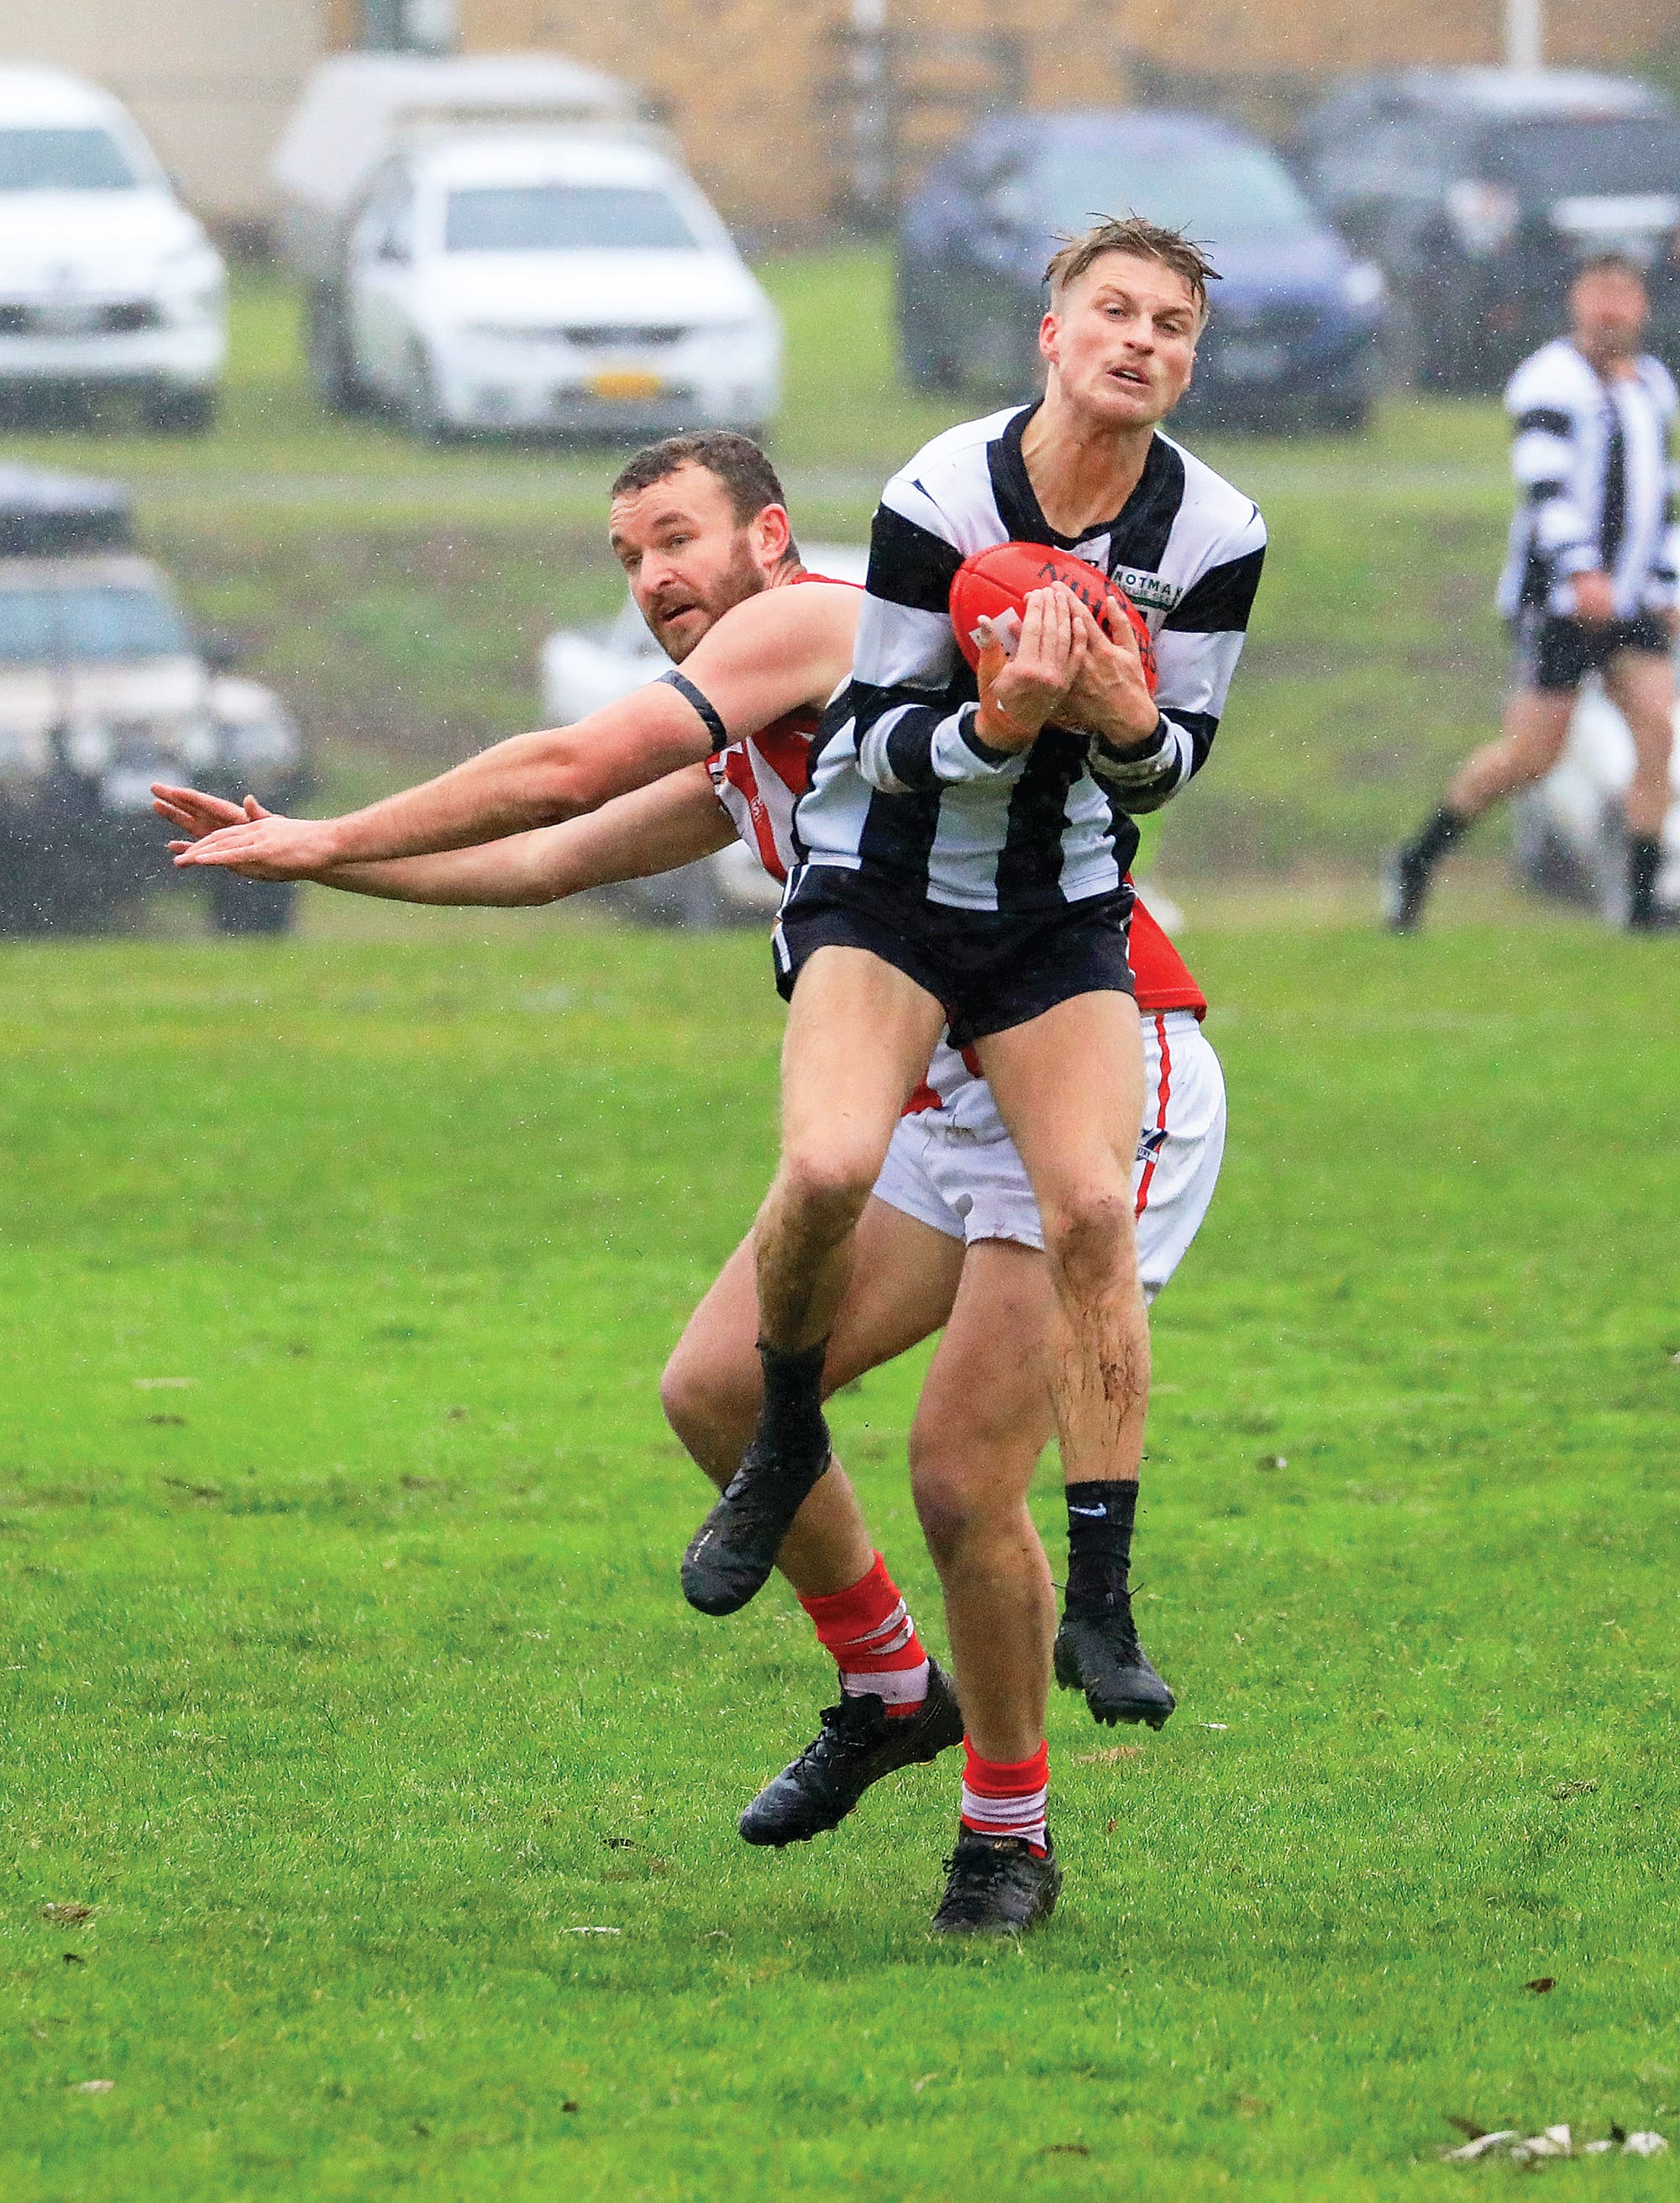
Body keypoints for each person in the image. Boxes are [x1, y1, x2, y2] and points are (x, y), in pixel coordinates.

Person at [159, 429, 1229, 1932]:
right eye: (629, 559)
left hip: (1111, 1063)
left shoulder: (817, 624)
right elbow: (550, 855)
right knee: (718, 1391)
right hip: (941, 1097)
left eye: (678, 539)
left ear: (773, 539)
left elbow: (563, 766)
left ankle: (1009, 1833)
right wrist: (309, 860)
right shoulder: (755, 739)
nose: (656, 578)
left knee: (954, 1471)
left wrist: (333, 826)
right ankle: (887, 1686)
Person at [680, 218, 1264, 1923]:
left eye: (1169, 323)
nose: (1139, 342)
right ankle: (870, 1653)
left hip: (1075, 977)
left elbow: (1171, 767)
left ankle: (1036, 1759)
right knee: (744, 1325)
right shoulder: (942, 497)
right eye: (1111, 313)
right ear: (1048, 332)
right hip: (909, 958)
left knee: (969, 1441)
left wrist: (1103, 717)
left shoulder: (1212, 532)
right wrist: (1004, 718)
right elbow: (851, 748)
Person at [1387, 254, 1678, 933]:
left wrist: (1663, 581)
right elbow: (1546, 491)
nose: (1612, 309)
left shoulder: (1654, 387)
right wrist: (1582, 572)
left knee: (1660, 730)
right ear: (1578, 300)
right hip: (1559, 603)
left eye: (1624, 295)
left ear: (1642, 305)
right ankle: (1417, 860)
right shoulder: (1550, 381)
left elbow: (1661, 499)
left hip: (1633, 602)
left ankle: (1640, 906)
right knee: (1530, 757)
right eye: (1600, 293)